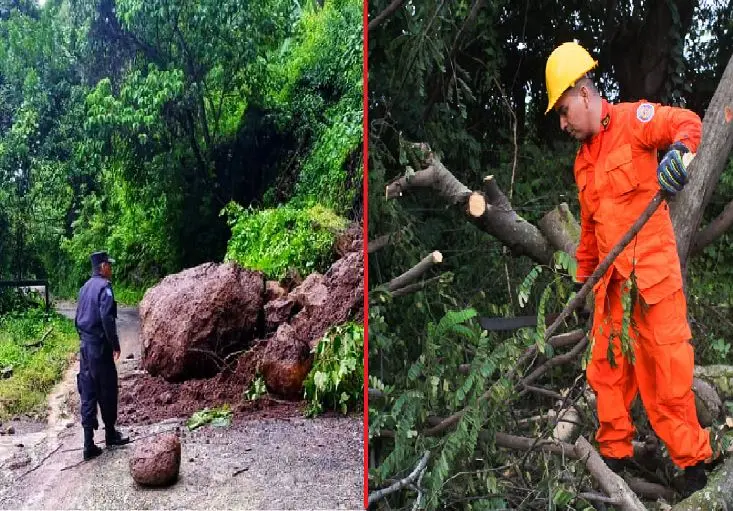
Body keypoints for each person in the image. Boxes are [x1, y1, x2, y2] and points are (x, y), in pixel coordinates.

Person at [545, 41, 712, 496]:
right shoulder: (582, 164)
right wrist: (583, 285)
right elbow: (588, 235)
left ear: (583, 93)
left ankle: (695, 469)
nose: (562, 124)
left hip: (654, 282)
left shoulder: (634, 121)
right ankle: (614, 469)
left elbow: (687, 122)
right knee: (607, 377)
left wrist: (680, 154)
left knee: (670, 379)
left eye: (563, 112)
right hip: (612, 289)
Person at [75, 251, 130, 460]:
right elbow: (107, 318)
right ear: (103, 266)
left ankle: (88, 444)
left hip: (85, 348)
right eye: (110, 265)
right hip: (99, 348)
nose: (111, 269)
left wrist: (84, 340)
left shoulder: (84, 288)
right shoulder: (104, 288)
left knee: (87, 392)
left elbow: (77, 319)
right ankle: (110, 434)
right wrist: (114, 344)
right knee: (107, 390)